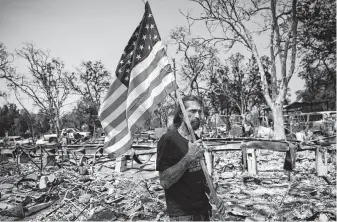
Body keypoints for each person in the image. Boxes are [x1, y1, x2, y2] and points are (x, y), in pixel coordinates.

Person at [156, 95, 225, 221]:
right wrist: (189, 157)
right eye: (192, 111)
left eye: (199, 111)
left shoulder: (196, 140)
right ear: (182, 115)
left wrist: (213, 195)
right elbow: (165, 181)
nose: (198, 116)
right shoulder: (169, 140)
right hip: (183, 214)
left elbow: (200, 175)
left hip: (203, 211)